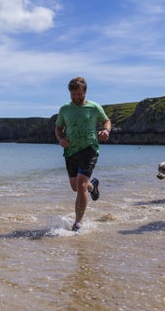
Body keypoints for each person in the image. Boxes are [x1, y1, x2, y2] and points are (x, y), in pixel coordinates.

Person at [55, 76, 111, 232]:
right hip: (71, 150)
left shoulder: (94, 107)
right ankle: (92, 186)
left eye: (79, 94)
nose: (76, 97)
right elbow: (58, 128)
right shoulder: (65, 109)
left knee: (80, 185)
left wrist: (106, 130)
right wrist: (60, 139)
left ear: (85, 91)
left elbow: (106, 121)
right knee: (76, 187)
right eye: (73, 95)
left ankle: (77, 223)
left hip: (89, 148)